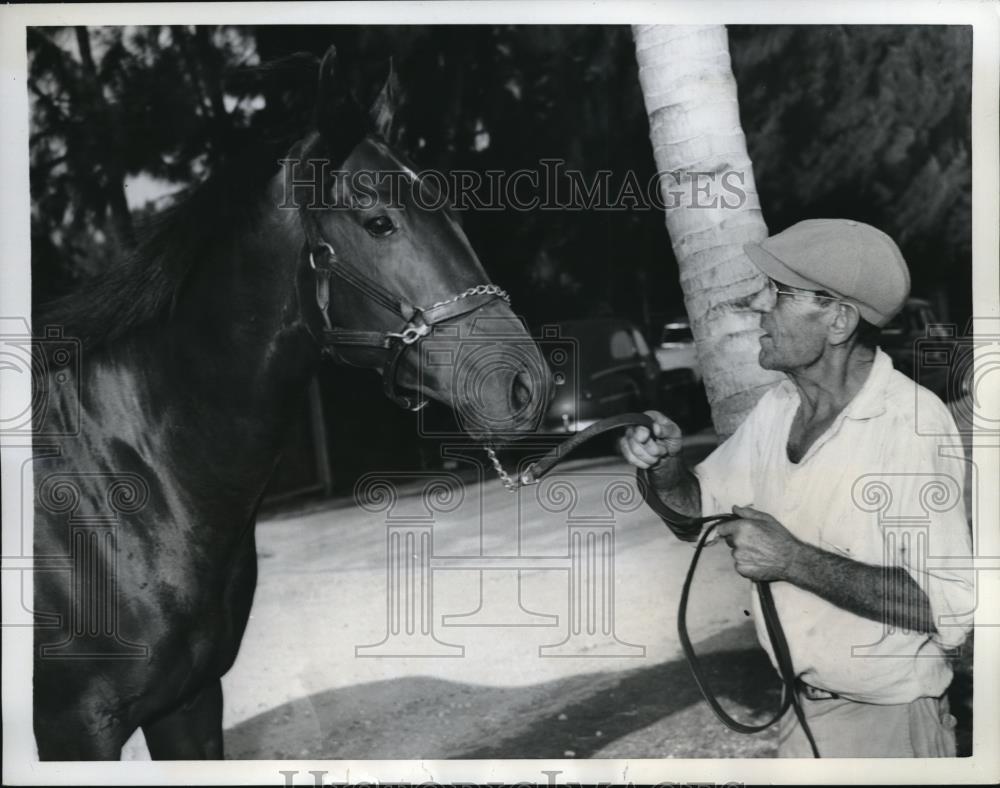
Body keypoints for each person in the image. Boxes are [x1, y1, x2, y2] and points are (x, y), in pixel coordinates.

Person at [621, 219, 974, 757]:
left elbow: (947, 608)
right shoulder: (779, 407)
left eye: (779, 293)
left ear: (838, 319)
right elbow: (696, 514)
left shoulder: (907, 424)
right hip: (801, 716)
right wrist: (663, 468)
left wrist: (793, 561)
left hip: (887, 730)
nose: (759, 306)